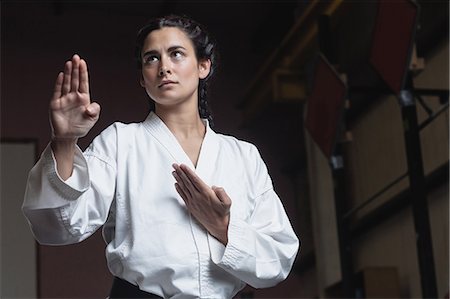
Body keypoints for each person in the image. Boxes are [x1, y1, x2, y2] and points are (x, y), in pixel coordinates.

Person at [22, 15, 299, 298]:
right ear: (143, 78)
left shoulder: (243, 156)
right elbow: (57, 228)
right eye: (151, 59)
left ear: (204, 66)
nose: (164, 67)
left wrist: (223, 227)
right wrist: (65, 141)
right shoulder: (122, 142)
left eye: (176, 54)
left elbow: (278, 258)